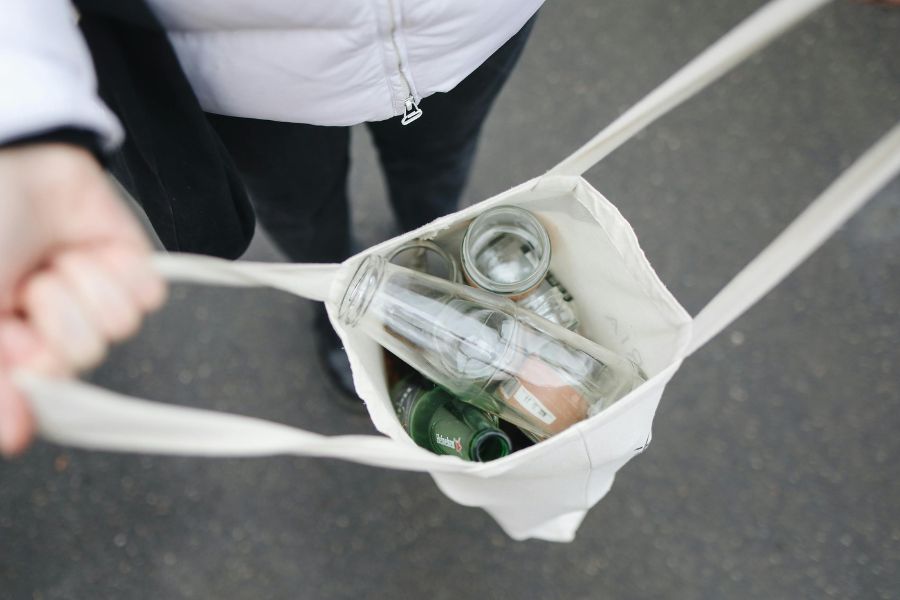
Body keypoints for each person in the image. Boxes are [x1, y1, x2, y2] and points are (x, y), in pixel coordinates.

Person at [0, 0, 542, 455]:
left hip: (471, 27)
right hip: (245, 67)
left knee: (438, 177)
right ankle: (337, 297)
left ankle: (434, 262)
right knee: (303, 215)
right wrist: (26, 110)